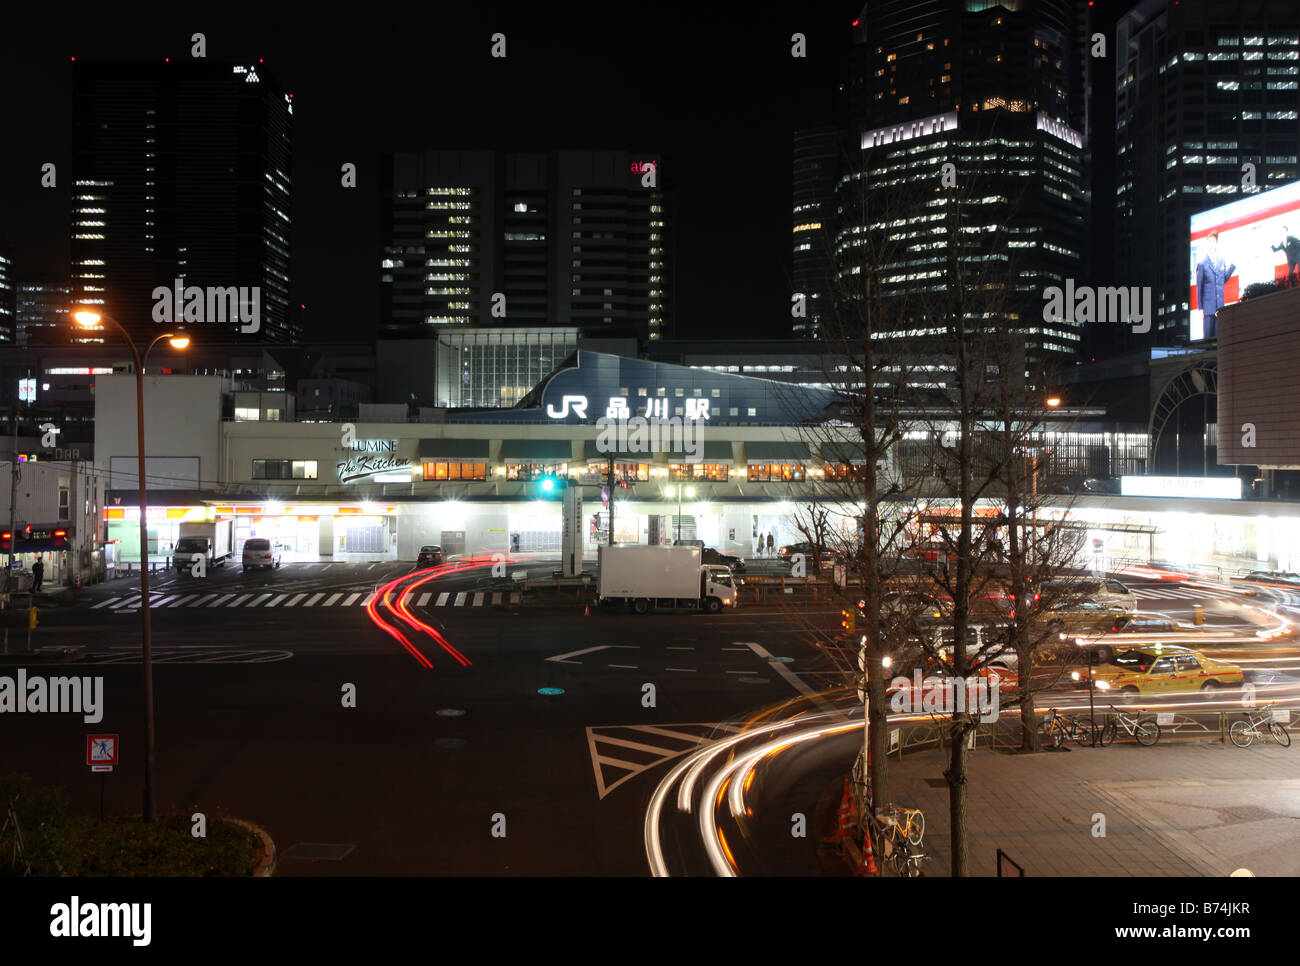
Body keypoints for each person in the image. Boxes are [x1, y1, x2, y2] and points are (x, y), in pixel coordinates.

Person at [1195, 231, 1235, 339]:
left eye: (1213, 241)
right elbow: (1199, 287)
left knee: (1220, 338)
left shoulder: (1221, 260)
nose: (1211, 244)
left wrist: (1232, 267)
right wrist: (1200, 307)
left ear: (1217, 243)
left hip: (1220, 306)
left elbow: (1223, 280)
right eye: (1209, 242)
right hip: (1208, 308)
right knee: (1208, 338)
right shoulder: (1202, 263)